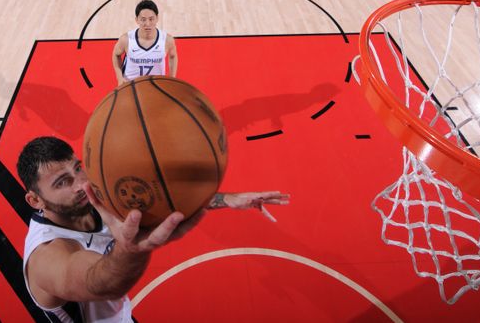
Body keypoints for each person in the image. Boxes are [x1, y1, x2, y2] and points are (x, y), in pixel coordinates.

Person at [18, 136, 290, 323]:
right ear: (35, 200)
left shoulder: (89, 197)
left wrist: (227, 199)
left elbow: (163, 202)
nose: (80, 184)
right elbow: (101, 284)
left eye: (78, 168)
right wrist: (131, 249)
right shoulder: (47, 255)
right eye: (63, 182)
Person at [112, 0, 177, 86]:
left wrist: (172, 78)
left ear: (157, 18)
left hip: (157, 86)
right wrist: (120, 78)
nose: (147, 23)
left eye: (151, 19)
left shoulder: (167, 40)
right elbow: (116, 55)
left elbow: (173, 56)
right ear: (137, 20)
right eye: (143, 19)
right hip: (130, 85)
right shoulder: (126, 39)